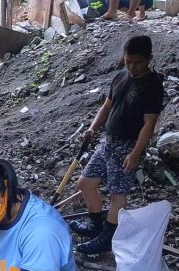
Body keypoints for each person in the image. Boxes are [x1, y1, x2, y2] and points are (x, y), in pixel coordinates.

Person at [69, 35, 164, 255]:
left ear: (149, 59)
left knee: (117, 193)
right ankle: (97, 225)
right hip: (107, 141)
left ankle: (108, 239)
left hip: (127, 145)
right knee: (85, 183)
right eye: (128, 61)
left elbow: (149, 125)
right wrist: (93, 128)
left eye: (137, 63)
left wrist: (135, 153)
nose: (132, 67)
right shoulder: (121, 76)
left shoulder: (152, 85)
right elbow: (106, 106)